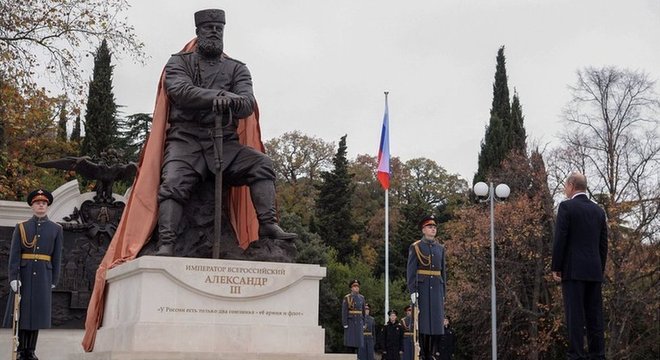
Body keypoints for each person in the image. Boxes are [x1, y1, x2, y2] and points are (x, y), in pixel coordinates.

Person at [155, 8, 295, 255]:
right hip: (186, 139)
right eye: (209, 28)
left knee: (261, 164)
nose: (214, 32)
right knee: (173, 183)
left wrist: (230, 101)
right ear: (198, 32)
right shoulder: (179, 62)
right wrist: (218, 96)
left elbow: (247, 103)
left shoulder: (237, 69)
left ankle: (268, 225)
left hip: (225, 143)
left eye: (219, 29)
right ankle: (166, 243)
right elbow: (180, 92)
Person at [552, 172, 608, 360]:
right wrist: (599, 269)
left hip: (573, 270)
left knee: (575, 317)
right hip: (593, 271)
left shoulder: (566, 207)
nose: (564, 189)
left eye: (565, 186)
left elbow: (560, 239)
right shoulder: (599, 211)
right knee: (595, 317)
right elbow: (603, 245)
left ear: (571, 185)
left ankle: (576, 355)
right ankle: (598, 355)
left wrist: (556, 266)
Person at [3, 189, 63, 360]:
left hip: (44, 275)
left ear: (47, 206)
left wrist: (54, 278)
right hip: (24, 274)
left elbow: (57, 256)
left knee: (36, 313)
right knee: (22, 313)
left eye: (43, 203)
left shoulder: (56, 229)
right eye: (37, 203)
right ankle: (21, 350)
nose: (41, 205)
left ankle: (31, 350)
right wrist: (14, 277)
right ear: (32, 206)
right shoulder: (21, 227)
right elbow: (14, 255)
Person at [407, 215, 446, 360]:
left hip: (436, 288)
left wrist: (444, 293)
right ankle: (423, 353)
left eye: (434, 227)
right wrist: (412, 290)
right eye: (430, 227)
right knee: (422, 324)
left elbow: (443, 272)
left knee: (436, 324)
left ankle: (432, 354)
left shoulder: (440, 248)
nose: (433, 229)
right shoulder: (416, 246)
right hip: (422, 289)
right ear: (423, 230)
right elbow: (411, 271)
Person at [342, 279, 365, 354]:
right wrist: (345, 323)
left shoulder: (362, 298)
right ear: (351, 288)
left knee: (358, 343)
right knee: (350, 343)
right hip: (351, 322)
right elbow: (344, 311)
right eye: (354, 286)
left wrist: (364, 322)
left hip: (359, 322)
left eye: (357, 286)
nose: (356, 288)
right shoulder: (348, 297)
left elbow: (363, 311)